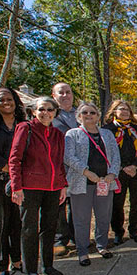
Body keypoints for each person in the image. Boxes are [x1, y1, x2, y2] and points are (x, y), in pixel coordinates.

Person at [9, 96, 67, 275]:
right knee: (29, 229)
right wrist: (17, 187)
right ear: (33, 111)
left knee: (50, 227)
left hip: (52, 188)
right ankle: (31, 270)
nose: (46, 113)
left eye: (50, 110)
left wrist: (62, 185)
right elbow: (15, 159)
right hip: (30, 188)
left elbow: (59, 162)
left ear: (55, 113)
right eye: (41, 109)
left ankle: (48, 265)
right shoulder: (25, 128)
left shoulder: (58, 134)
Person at [64, 103, 120, 267]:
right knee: (82, 219)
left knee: (103, 217)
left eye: (93, 112)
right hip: (81, 183)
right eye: (85, 112)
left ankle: (101, 246)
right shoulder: (72, 134)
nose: (89, 115)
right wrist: (87, 172)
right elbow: (68, 157)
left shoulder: (107, 134)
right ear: (79, 116)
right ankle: (83, 251)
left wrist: (112, 173)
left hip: (104, 183)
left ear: (98, 116)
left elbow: (115, 156)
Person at [103, 101, 137, 245]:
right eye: (121, 109)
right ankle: (118, 232)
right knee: (118, 203)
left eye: (127, 109)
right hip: (118, 173)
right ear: (114, 111)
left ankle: (134, 230)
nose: (124, 112)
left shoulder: (136, 129)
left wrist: (135, 166)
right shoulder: (108, 130)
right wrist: (122, 167)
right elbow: (107, 152)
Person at [0, 87, 25, 275]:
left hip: (20, 180)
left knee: (18, 220)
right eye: (2, 100)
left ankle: (18, 260)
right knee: (0, 222)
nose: (7, 102)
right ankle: (0, 264)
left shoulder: (23, 123)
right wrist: (5, 167)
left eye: (10, 99)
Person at [51, 82, 78, 256]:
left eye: (68, 92)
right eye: (61, 92)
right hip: (57, 166)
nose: (65, 95)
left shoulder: (80, 113)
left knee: (77, 204)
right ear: (54, 96)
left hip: (79, 167)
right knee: (58, 204)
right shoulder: (50, 114)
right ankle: (60, 239)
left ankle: (77, 236)